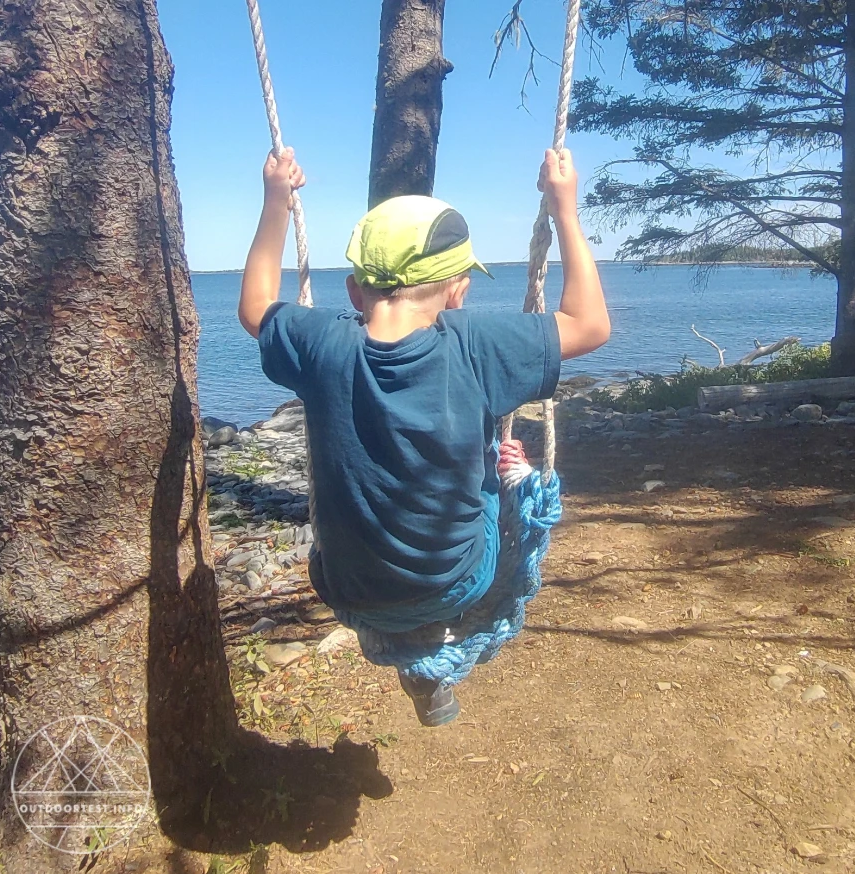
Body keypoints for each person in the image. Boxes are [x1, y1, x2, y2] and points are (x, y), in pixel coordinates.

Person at [239, 146, 609, 726]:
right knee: (497, 473)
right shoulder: (473, 343)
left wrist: (276, 205)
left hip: (344, 586)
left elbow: (257, 306)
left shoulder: (320, 345)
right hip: (459, 582)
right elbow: (591, 325)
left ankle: (409, 651)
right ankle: (427, 654)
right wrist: (566, 209)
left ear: (354, 291)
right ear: (457, 291)